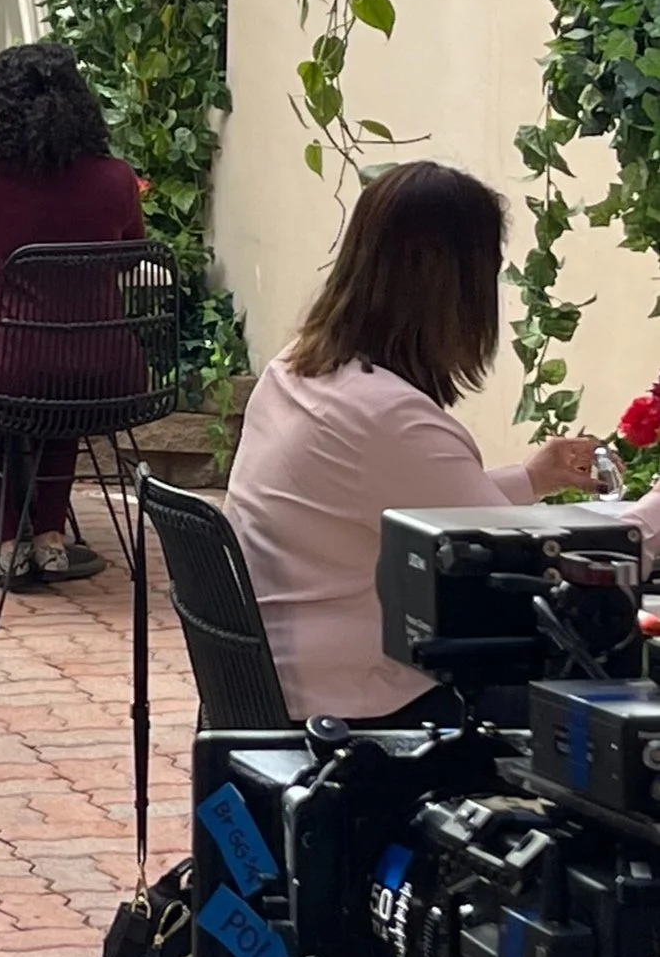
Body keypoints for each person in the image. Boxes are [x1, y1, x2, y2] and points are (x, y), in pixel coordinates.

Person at [222, 162, 660, 725]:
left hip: (275, 682)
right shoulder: (390, 419)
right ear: (457, 288)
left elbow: (423, 511)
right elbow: (531, 574)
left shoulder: (298, 371)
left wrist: (533, 478)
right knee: (612, 693)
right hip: (367, 704)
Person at [0, 42, 145, 581]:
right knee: (60, 390)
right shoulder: (116, 177)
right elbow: (129, 255)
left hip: (18, 365)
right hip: (112, 371)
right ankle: (49, 535)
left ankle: (7, 537)